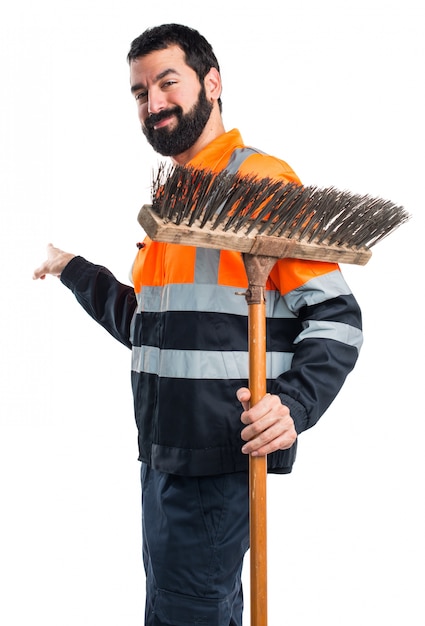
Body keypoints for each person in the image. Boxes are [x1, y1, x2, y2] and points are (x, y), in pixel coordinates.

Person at [33, 23, 363, 626]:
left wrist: (293, 405)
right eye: (139, 92)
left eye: (167, 82)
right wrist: (71, 269)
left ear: (212, 83)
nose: (153, 102)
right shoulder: (176, 200)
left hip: (216, 459)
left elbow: (337, 316)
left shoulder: (255, 180)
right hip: (163, 458)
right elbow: (152, 328)